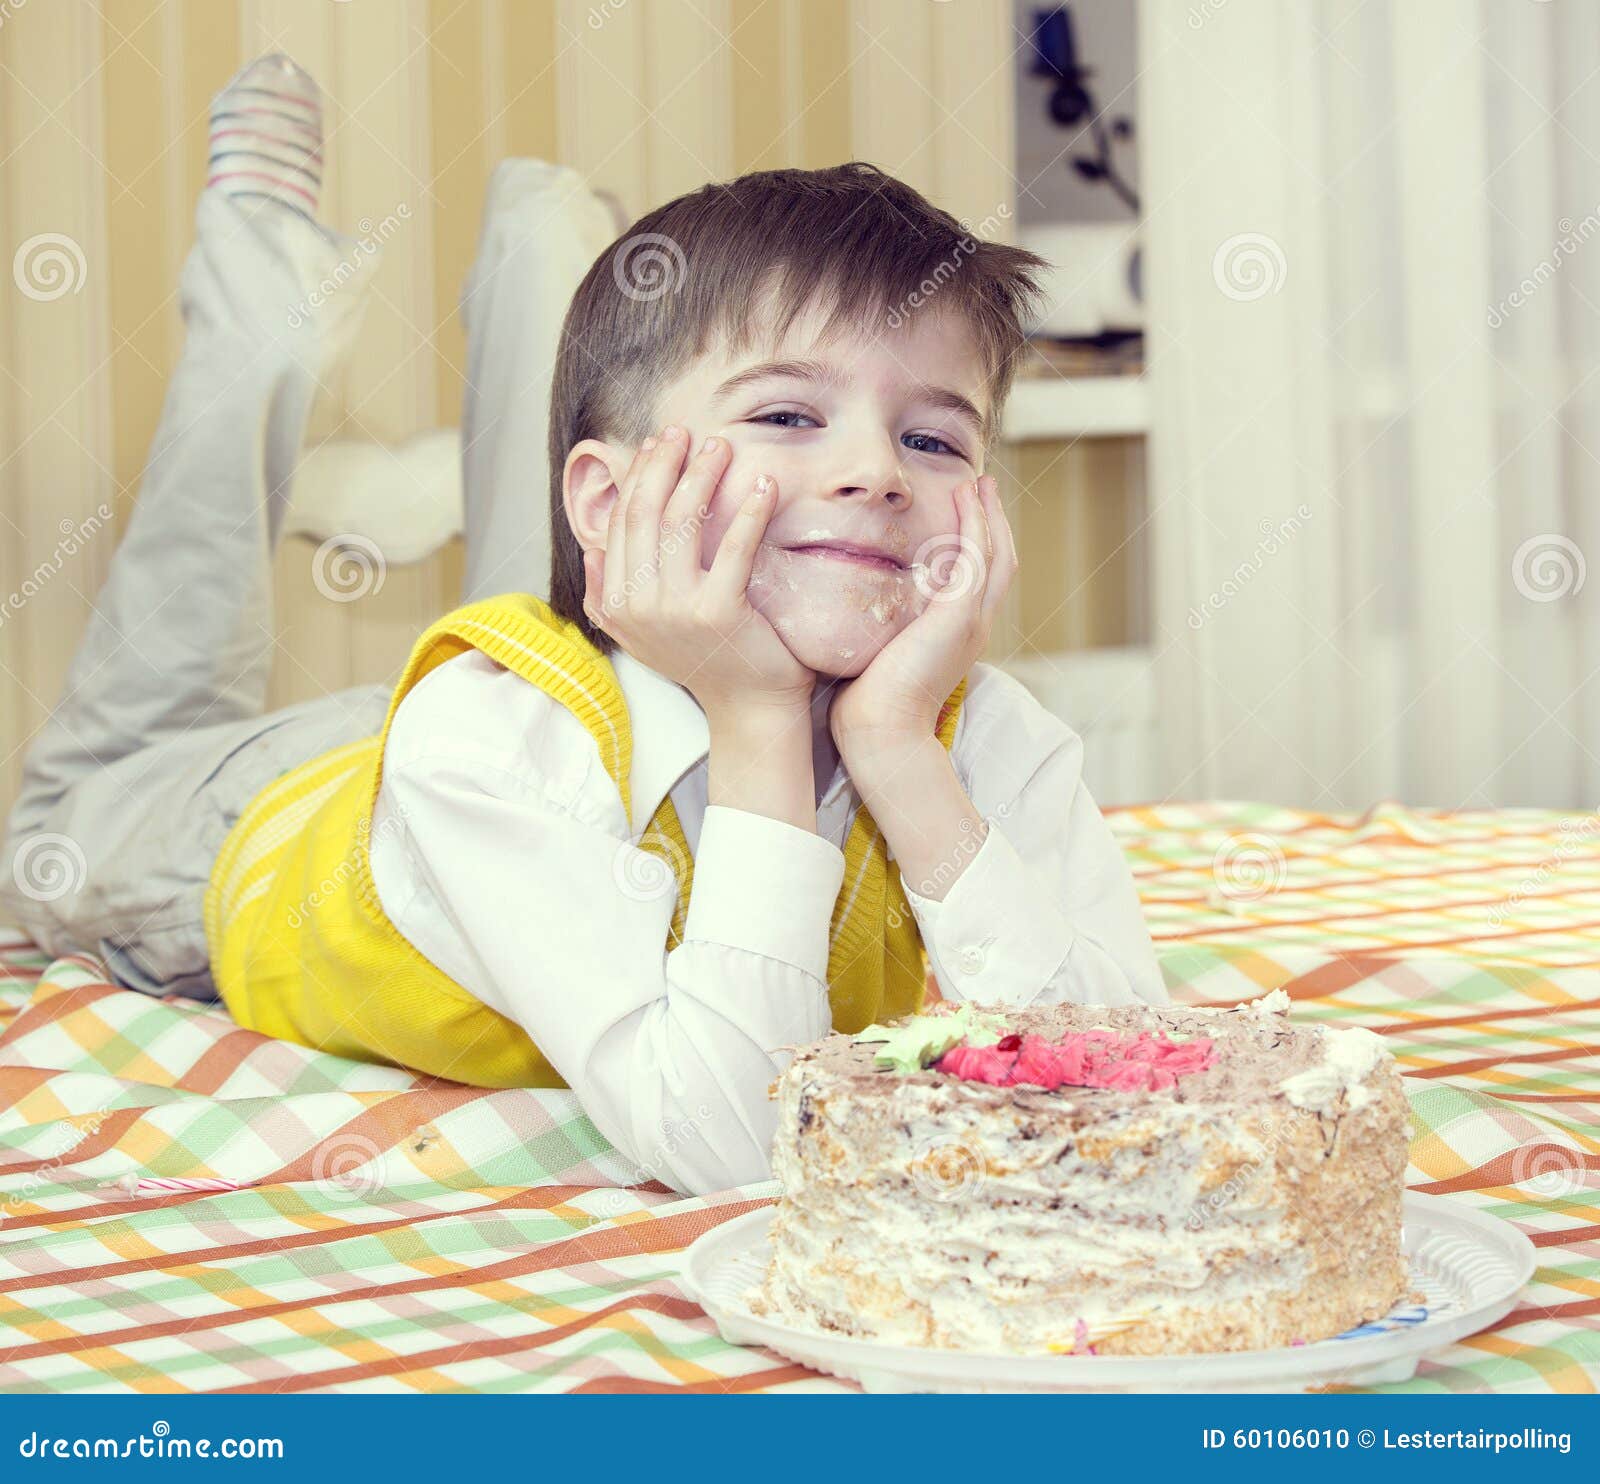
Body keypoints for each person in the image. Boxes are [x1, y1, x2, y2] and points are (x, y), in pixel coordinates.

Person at [0, 53, 1168, 1196]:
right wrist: (761, 716)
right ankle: (264, 312)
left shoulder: (971, 732)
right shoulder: (494, 731)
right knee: (53, 822)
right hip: (276, 817)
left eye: (933, 438)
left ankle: (544, 238)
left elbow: (1127, 1077)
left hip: (565, 726)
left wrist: (906, 762)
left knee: (610, 604)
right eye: (787, 411)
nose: (876, 470)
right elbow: (730, 1148)